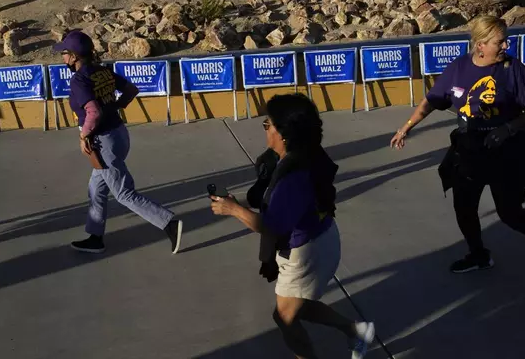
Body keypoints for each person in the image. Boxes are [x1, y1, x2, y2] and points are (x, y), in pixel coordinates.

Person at [390, 16, 525, 279]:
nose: (506, 45)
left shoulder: (512, 69)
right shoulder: (458, 68)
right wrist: (406, 126)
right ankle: (478, 255)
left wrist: (506, 129)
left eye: (506, 40)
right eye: (500, 41)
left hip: (508, 153)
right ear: (480, 44)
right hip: (470, 151)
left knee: (509, 213)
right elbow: (432, 100)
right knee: (464, 206)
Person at [210, 93, 375, 359]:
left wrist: (232, 209)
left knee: (285, 317)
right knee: (299, 306)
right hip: (318, 238)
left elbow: (270, 226)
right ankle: (356, 330)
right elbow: (268, 202)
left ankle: (349, 335)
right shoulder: (299, 155)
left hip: (307, 251)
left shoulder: (293, 178)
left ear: (284, 133)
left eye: (267, 125)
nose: (264, 128)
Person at [53, 30, 183, 254]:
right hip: (119, 135)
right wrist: (115, 106)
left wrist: (84, 135)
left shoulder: (80, 79)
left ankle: (169, 223)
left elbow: (92, 112)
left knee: (124, 193)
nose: (62, 57)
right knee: (96, 189)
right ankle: (95, 237)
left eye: (64, 53)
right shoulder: (102, 71)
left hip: (103, 144)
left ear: (74, 56)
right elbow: (132, 90)